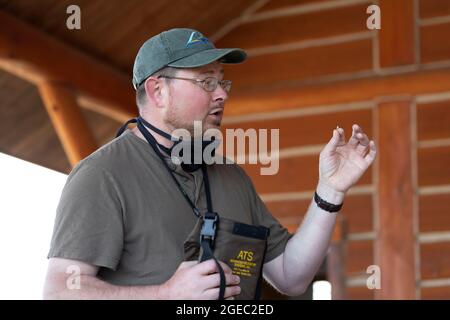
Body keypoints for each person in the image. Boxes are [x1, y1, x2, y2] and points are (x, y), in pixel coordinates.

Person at [43, 28, 377, 300]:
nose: (222, 95)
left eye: (222, 81)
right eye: (206, 82)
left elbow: (291, 278)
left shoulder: (232, 177)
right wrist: (165, 294)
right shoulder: (102, 175)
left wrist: (329, 191)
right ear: (158, 91)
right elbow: (59, 292)